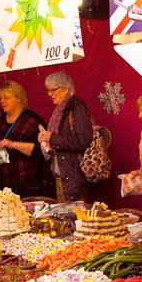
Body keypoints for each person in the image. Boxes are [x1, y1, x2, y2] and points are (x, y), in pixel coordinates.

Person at [0, 81, 48, 197]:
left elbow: (42, 150)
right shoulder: (0, 117)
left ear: (18, 98)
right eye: (1, 98)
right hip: (2, 183)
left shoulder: (32, 120)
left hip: (26, 184)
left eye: (6, 98)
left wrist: (13, 144)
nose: (2, 101)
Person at [36, 71, 94, 202]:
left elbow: (83, 141)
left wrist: (51, 138)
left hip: (74, 177)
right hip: (62, 177)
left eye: (53, 90)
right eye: (48, 90)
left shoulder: (76, 107)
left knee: (75, 218)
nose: (49, 94)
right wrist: (45, 141)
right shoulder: (60, 110)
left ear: (66, 89)